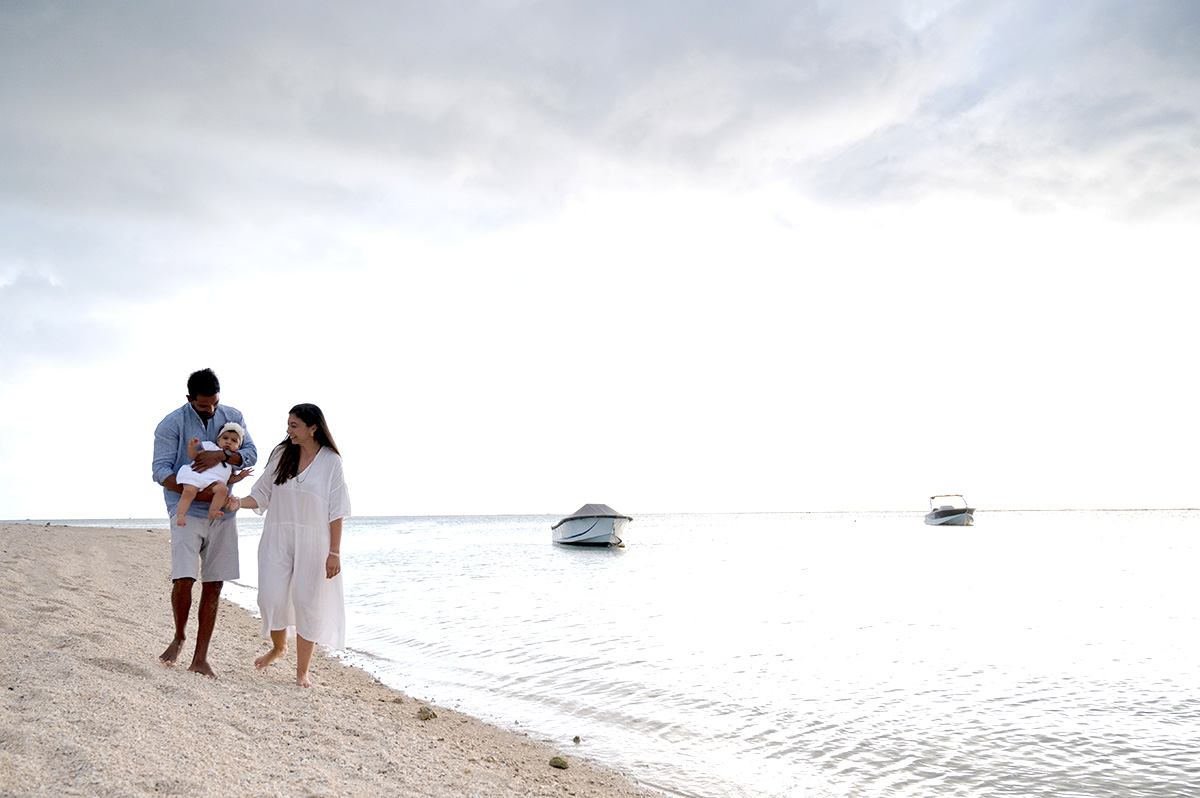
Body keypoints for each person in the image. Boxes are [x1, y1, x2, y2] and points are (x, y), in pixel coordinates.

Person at [227, 403, 351, 688]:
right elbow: (262, 494)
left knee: (308, 602)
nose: (288, 431)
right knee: (270, 597)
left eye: (294, 425)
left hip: (314, 542)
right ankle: (279, 647)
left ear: (313, 428)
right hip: (277, 536)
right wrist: (238, 502)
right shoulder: (281, 454)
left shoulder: (331, 461)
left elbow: (337, 509)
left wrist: (335, 552)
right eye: (288, 425)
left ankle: (302, 672)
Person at [151, 368, 257, 678]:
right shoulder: (171, 424)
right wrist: (196, 496)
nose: (210, 410)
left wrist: (222, 456)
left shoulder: (233, 416)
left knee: (215, 583)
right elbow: (160, 470)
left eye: (214, 403)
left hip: (223, 513)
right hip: (185, 509)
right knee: (184, 578)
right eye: (203, 405)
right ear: (189, 399)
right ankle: (179, 636)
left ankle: (200, 658)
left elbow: (250, 453)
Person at [174, 421, 252, 527]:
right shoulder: (210, 447)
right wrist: (191, 448)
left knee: (223, 489)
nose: (228, 442)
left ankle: (213, 511)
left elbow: (230, 479)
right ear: (218, 440)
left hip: (214, 483)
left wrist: (241, 476)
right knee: (189, 492)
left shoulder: (230, 463)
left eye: (234, 441)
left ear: (238, 447)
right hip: (197, 475)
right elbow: (195, 457)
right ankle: (181, 515)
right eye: (225, 438)